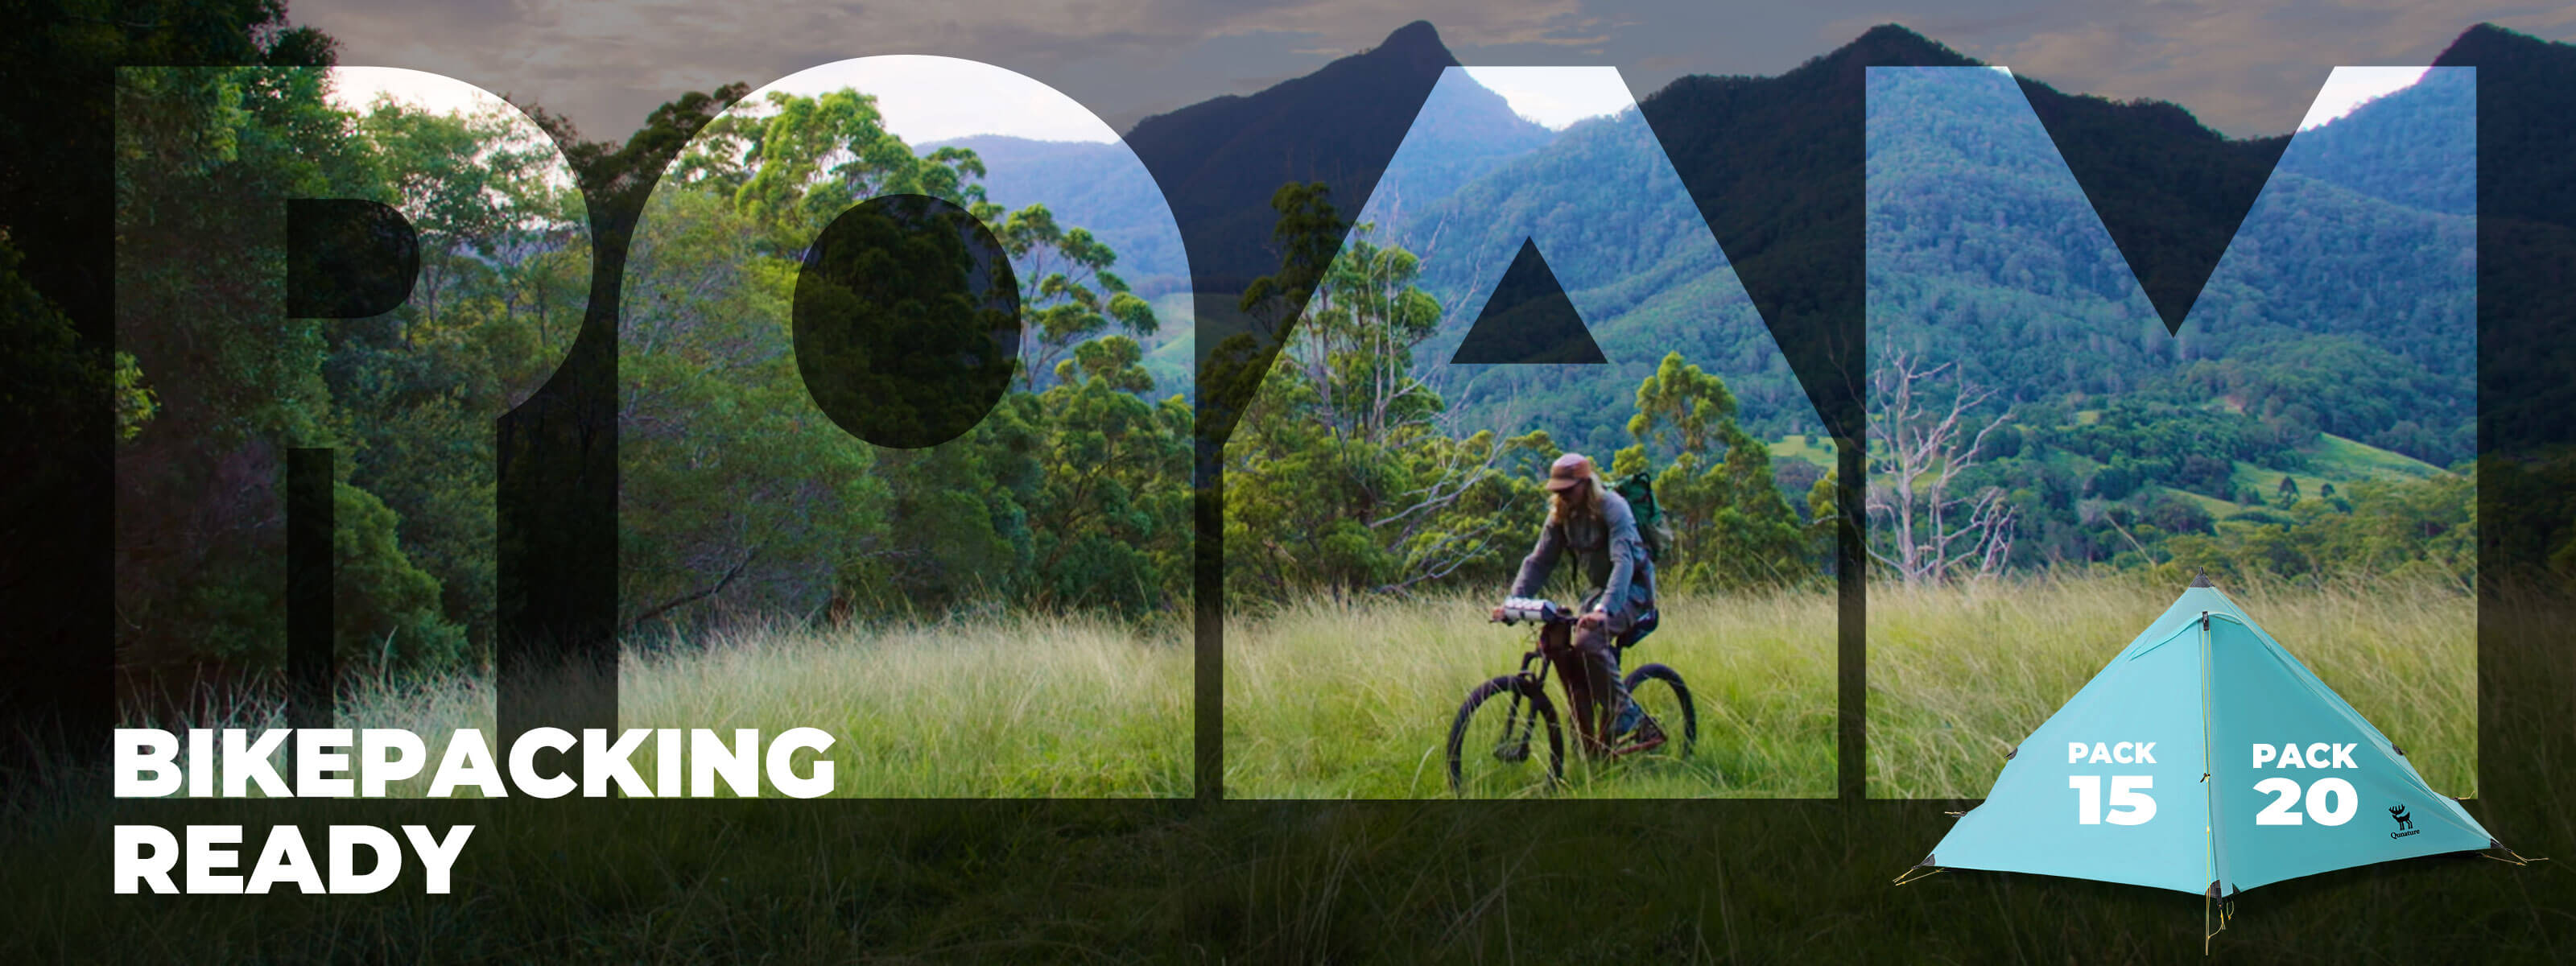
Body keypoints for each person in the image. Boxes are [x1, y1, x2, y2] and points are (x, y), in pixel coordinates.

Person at [1491, 452, 1659, 755]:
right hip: (1598, 591)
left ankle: (1626, 712)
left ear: (1586, 484)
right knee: (1565, 647)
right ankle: (1589, 741)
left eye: (1568, 489)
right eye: (1558, 491)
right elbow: (1539, 561)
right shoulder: (1560, 515)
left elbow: (1623, 562)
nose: (1563, 496)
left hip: (1632, 589)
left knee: (1589, 640)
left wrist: (1603, 610)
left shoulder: (1613, 508)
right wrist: (1513, 604)